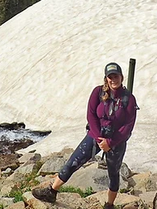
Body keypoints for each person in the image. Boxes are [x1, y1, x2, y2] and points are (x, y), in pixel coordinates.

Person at [32, 62, 137, 209]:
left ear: (122, 77)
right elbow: (91, 115)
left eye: (116, 76)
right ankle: (52, 191)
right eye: (110, 76)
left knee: (114, 173)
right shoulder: (98, 93)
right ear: (106, 78)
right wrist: (100, 138)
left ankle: (109, 204)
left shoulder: (129, 99)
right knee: (74, 161)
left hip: (116, 141)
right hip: (96, 136)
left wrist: (110, 143)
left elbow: (128, 126)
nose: (114, 79)